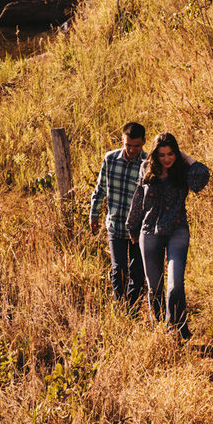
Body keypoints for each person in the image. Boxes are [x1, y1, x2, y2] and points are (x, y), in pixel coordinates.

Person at [126, 132, 210, 340]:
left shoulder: (183, 171)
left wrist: (184, 156)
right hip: (149, 231)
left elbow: (202, 176)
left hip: (177, 230)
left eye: (171, 153)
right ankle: (163, 327)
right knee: (154, 286)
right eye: (162, 154)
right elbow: (138, 198)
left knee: (175, 283)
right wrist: (132, 227)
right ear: (155, 155)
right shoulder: (146, 168)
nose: (167, 159)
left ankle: (175, 327)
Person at [89, 122, 148, 308]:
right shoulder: (110, 159)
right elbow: (100, 189)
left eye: (136, 145)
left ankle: (132, 309)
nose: (131, 149)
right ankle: (119, 307)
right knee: (118, 269)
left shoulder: (148, 165)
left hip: (138, 230)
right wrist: (94, 214)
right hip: (115, 224)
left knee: (137, 272)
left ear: (143, 142)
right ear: (123, 140)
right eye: (128, 145)